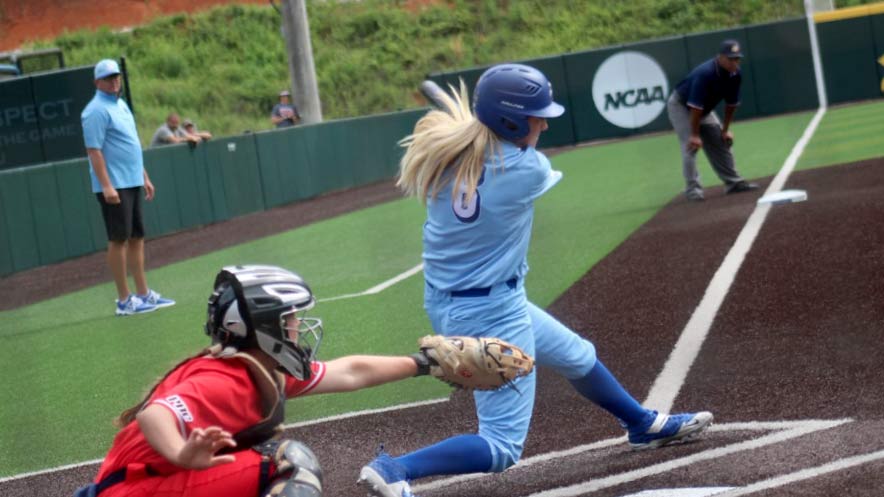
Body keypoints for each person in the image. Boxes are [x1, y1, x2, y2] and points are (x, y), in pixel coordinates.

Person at [357, 64, 714, 497]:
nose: (543, 123)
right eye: (535, 116)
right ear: (507, 121)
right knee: (502, 446)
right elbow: (505, 157)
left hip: (457, 300)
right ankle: (396, 469)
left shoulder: (444, 161)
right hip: (491, 310)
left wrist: (477, 128)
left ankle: (641, 424)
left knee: (578, 355)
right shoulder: (526, 170)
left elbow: (478, 146)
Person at [74, 264, 435, 497]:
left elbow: (350, 372)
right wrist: (181, 452)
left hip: (145, 485)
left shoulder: (258, 368)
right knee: (289, 462)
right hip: (134, 490)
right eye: (290, 318)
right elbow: (155, 414)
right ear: (264, 327)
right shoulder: (225, 380)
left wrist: (424, 364)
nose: (298, 327)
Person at [81, 59, 176, 316]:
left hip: (132, 180)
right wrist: (106, 186)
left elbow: (130, 145)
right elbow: (94, 151)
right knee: (119, 239)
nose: (114, 81)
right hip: (114, 185)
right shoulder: (95, 111)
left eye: (117, 77)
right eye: (109, 78)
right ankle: (124, 300)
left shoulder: (121, 104)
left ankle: (143, 294)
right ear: (97, 82)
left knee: (136, 237)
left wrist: (143, 176)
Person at [667, 39, 759, 201]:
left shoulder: (735, 74)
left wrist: (725, 130)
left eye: (737, 58)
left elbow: (731, 105)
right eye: (731, 58)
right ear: (720, 57)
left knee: (721, 140)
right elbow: (695, 108)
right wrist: (695, 135)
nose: (734, 62)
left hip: (703, 109)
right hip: (681, 106)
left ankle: (734, 183)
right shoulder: (706, 73)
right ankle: (692, 190)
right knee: (691, 145)